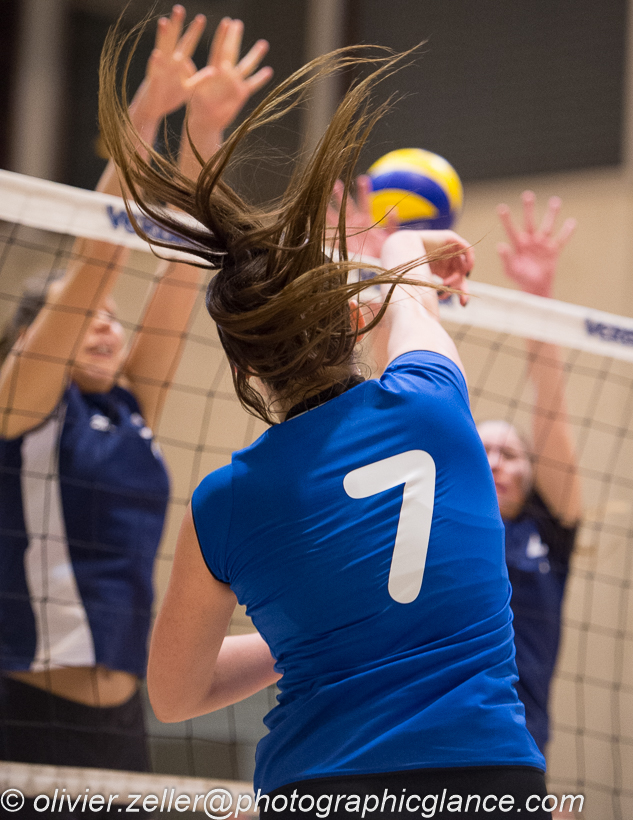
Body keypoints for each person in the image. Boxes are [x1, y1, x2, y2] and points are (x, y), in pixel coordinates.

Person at [99, 14, 551, 819]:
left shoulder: (222, 503)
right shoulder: (434, 403)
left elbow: (174, 694)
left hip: (320, 788)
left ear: (243, 367)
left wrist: (307, 637)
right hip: (485, 779)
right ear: (353, 317)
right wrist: (398, 251)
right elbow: (406, 292)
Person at [0, 3, 272, 793]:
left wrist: (203, 132)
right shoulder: (22, 408)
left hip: (122, 725)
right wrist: (143, 118)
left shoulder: (128, 409)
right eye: (85, 315)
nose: (105, 323)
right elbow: (98, 260)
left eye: (113, 321)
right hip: (22, 712)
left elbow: (184, 262)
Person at [478, 192, 582, 757]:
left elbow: (552, 410)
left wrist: (538, 301)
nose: (496, 461)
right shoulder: (439, 518)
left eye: (511, 453)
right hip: (425, 742)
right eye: (483, 451)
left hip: (515, 750)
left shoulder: (547, 529)